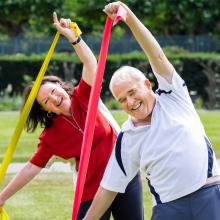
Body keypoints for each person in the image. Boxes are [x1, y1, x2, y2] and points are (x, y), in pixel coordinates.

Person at [0, 12, 144, 220]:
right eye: (45, 101)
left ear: (59, 85)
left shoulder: (83, 96)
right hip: (92, 190)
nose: (52, 98)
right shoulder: (51, 136)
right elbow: (31, 167)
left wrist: (74, 38)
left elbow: (90, 63)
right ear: (46, 110)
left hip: (124, 175)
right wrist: (2, 197)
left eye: (52, 91)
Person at [84, 2, 220, 220]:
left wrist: (128, 17)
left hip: (209, 196)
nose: (130, 101)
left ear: (147, 84)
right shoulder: (127, 137)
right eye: (122, 99)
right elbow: (108, 188)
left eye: (132, 92)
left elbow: (156, 55)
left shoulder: (173, 95)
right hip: (169, 208)